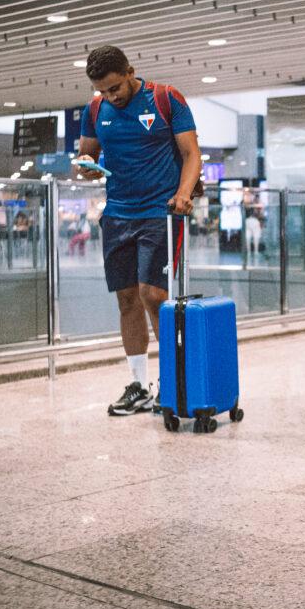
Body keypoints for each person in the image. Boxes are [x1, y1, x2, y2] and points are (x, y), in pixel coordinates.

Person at [75, 45, 202, 417]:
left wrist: (182, 194)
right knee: (127, 298)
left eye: (115, 88)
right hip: (118, 214)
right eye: (103, 91)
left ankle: (171, 381)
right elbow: (88, 155)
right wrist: (87, 165)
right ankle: (138, 384)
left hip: (160, 213)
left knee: (153, 293)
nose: (110, 96)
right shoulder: (96, 109)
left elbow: (191, 153)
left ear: (130, 71)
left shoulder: (166, 98)